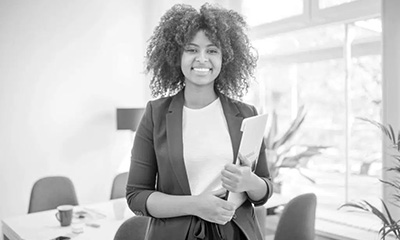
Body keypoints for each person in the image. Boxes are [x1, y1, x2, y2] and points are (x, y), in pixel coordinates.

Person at [126, 3, 273, 240]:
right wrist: (195, 205)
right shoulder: (156, 114)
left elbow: (264, 190)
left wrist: (250, 181)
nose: (202, 59)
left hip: (236, 234)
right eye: (191, 49)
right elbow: (137, 195)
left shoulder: (246, 113)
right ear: (177, 55)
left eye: (212, 50)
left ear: (226, 57)